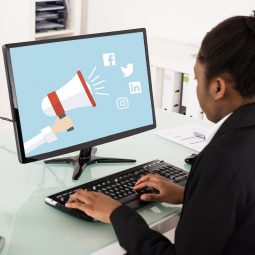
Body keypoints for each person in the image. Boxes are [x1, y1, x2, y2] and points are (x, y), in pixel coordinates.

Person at [65, 12, 255, 255]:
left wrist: (116, 213)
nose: (197, 86)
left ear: (218, 87)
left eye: (196, 79)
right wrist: (192, 196)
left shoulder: (223, 158)